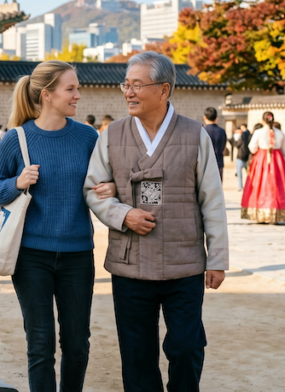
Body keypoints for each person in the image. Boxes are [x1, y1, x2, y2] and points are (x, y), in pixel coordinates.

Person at [84, 51, 229, 392]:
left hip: (185, 264)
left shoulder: (195, 135)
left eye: (137, 85)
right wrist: (123, 214)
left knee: (187, 346)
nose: (128, 93)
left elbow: (213, 199)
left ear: (164, 90)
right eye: (126, 85)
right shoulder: (112, 135)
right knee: (137, 353)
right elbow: (92, 189)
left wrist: (218, 258)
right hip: (131, 264)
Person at [0, 60, 107, 392]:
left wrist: (108, 189)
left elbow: (103, 183)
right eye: (71, 88)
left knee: (78, 344)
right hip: (30, 257)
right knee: (40, 345)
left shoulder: (86, 136)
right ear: (47, 94)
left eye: (77, 88)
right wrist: (17, 182)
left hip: (79, 255)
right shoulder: (16, 138)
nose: (78, 95)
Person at [241, 112, 285, 223]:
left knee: (260, 185)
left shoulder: (258, 132)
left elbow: (252, 148)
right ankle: (276, 213)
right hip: (277, 161)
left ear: (263, 120)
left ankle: (261, 213)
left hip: (261, 160)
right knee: (277, 185)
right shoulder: (280, 133)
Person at [203, 107, 227, 183]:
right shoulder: (222, 131)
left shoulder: (202, 131)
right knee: (218, 188)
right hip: (219, 162)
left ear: (205, 117)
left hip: (205, 164)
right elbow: (223, 148)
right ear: (217, 118)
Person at [233, 124, 251, 192]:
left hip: (240, 156)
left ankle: (240, 187)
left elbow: (237, 144)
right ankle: (249, 186)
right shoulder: (250, 134)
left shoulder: (242, 135)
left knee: (239, 174)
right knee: (249, 174)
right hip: (247, 156)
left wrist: (234, 140)